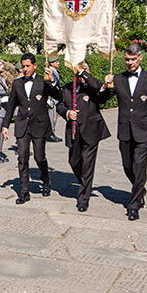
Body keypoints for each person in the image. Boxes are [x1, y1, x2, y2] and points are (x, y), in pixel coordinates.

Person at [104, 43, 147, 221]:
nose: (129, 63)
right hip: (124, 130)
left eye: (132, 60)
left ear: (140, 58)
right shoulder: (119, 78)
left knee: (139, 166)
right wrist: (106, 85)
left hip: (143, 132)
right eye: (127, 60)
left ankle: (134, 203)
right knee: (127, 165)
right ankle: (140, 188)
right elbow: (104, 99)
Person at [1, 53, 62, 203]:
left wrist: (53, 82)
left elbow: (59, 96)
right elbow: (11, 106)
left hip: (39, 125)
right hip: (22, 125)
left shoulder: (43, 81)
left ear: (35, 66)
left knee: (39, 157)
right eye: (23, 66)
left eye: (28, 66)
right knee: (22, 158)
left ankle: (45, 180)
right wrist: (5, 125)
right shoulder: (17, 83)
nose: (25, 69)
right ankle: (24, 191)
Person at [55, 62, 112, 212]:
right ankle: (85, 183)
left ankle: (83, 198)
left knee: (88, 164)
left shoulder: (92, 88)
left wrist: (84, 72)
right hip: (73, 132)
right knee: (74, 161)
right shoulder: (68, 88)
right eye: (78, 72)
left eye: (84, 71)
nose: (80, 75)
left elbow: (102, 93)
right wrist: (67, 113)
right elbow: (60, 105)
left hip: (91, 131)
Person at [46, 56, 62, 143]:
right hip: (51, 98)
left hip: (54, 97)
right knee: (51, 116)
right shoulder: (50, 71)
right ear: (52, 63)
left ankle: (52, 132)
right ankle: (50, 133)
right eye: (56, 61)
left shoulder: (54, 71)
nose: (58, 63)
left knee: (54, 115)